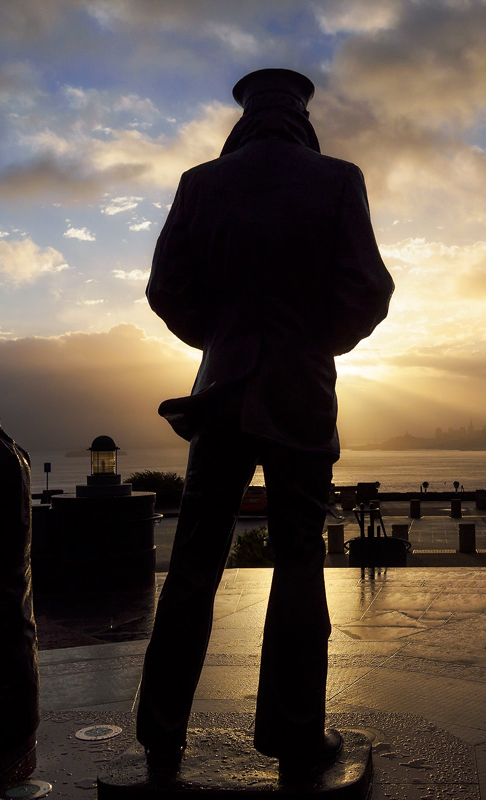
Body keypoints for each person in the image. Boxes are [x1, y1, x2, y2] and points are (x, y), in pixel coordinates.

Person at [136, 68, 394, 783]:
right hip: (299, 394)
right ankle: (294, 737)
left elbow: (165, 288)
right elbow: (370, 288)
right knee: (300, 560)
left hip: (218, 393)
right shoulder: (338, 179)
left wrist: (220, 336)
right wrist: (316, 341)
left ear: (245, 119)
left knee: (192, 566)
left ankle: (161, 739)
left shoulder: (201, 182)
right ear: (301, 119)